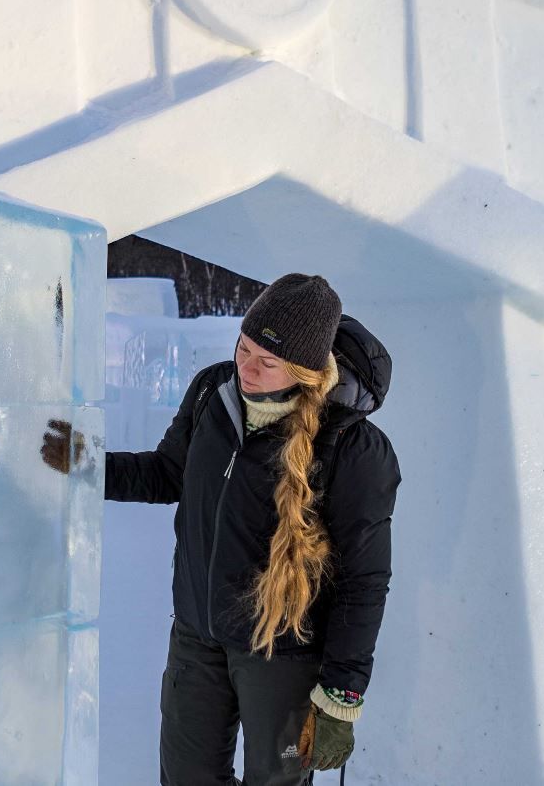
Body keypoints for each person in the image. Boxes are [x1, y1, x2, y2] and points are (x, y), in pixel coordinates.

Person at [41, 273, 401, 786]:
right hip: (198, 635)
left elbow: (364, 581)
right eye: (244, 347)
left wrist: (341, 697)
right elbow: (169, 473)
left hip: (283, 654)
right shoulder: (214, 391)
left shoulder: (351, 448)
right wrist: (89, 463)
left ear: (303, 369)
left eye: (267, 362)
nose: (246, 369)